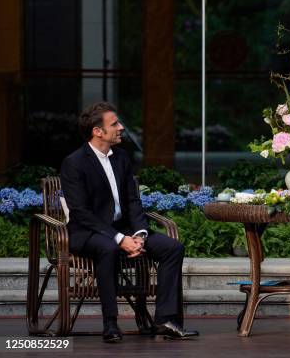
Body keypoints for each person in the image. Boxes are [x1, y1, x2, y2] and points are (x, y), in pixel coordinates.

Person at [60, 102, 198, 343]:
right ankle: (110, 324)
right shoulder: (74, 163)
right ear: (98, 131)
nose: (121, 127)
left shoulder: (122, 158)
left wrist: (140, 235)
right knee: (108, 247)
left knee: (172, 248)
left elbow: (133, 201)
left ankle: (165, 319)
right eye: (114, 124)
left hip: (123, 229)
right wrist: (120, 239)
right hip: (88, 232)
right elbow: (81, 213)